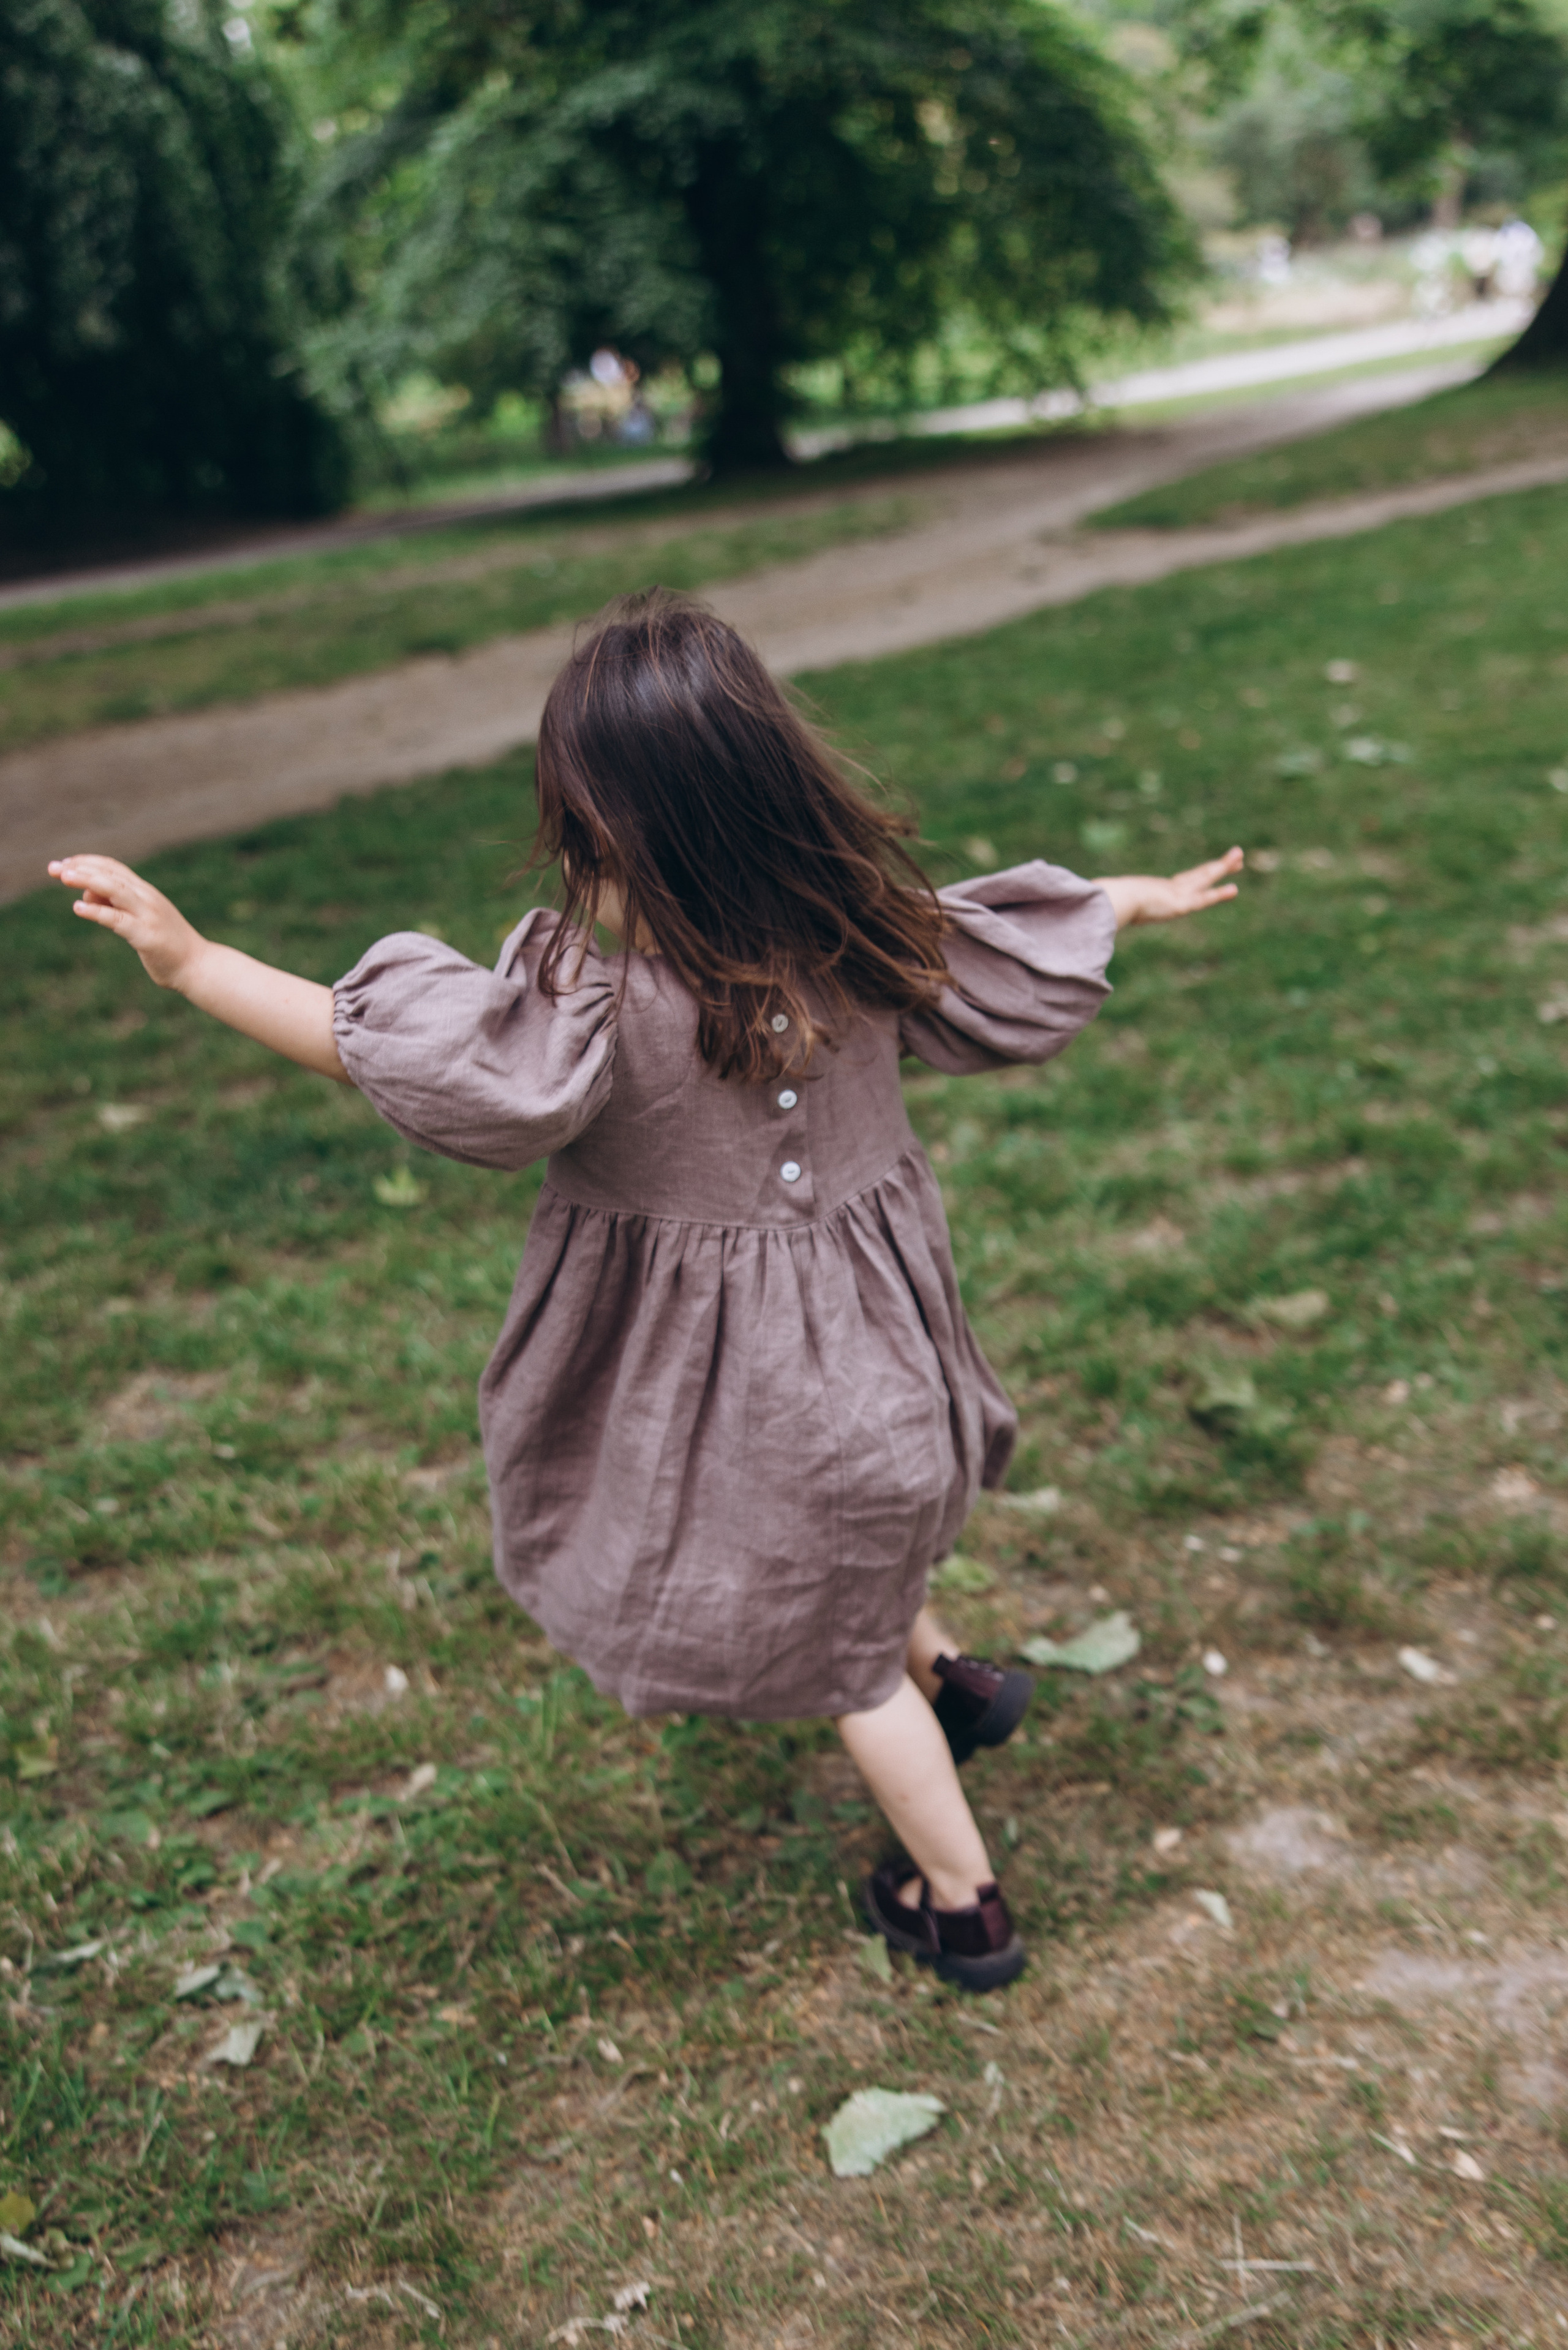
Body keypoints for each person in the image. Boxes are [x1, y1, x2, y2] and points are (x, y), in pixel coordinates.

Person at [48, 590, 1242, 1994]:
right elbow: (1011, 944)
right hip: (893, 1370)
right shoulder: (860, 934)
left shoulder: (587, 1002)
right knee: (856, 1538)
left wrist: (192, 961)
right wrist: (1126, 899)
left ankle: (957, 1897)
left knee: (840, 1659)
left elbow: (365, 1043)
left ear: (602, 830)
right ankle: (957, 1678)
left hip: (761, 1407)